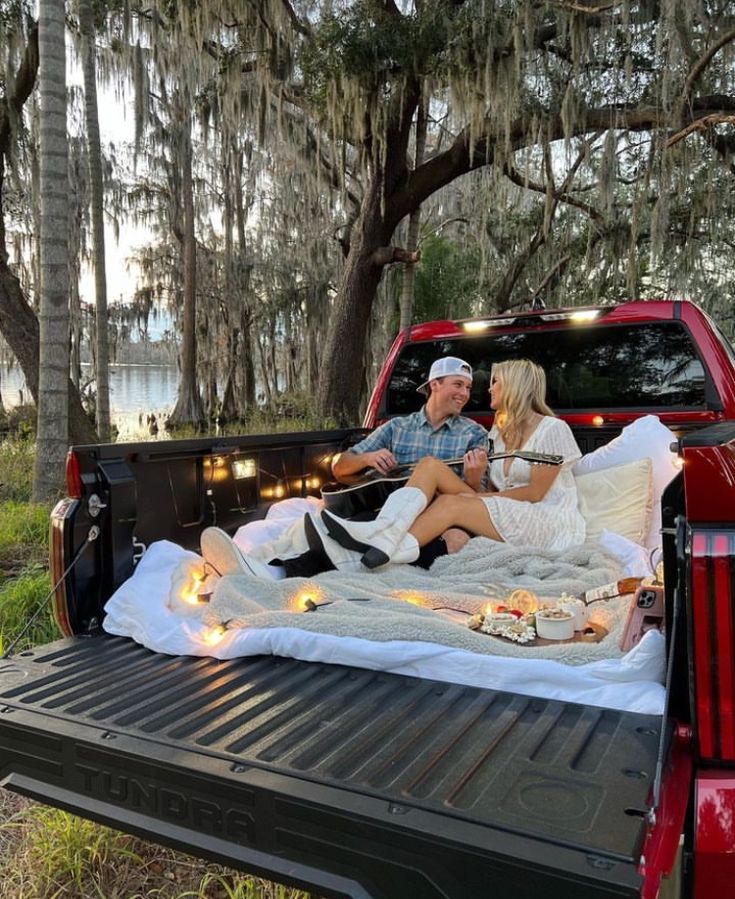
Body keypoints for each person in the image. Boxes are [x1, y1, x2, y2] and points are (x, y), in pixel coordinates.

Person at [320, 358, 586, 568]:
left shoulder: (552, 429)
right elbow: (491, 492)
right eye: (461, 385)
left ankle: (379, 545)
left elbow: (534, 493)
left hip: (543, 518)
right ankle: (382, 537)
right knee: (430, 465)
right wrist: (477, 486)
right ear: (434, 385)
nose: (488, 388)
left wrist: (475, 495)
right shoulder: (498, 434)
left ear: (515, 387)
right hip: (505, 509)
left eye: (495, 382)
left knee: (452, 503)